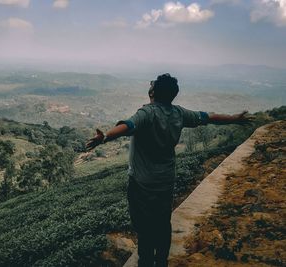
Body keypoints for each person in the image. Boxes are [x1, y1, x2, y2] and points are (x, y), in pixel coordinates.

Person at [85, 73, 252, 267]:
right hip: (165, 181)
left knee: (145, 228)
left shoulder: (147, 113)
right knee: (163, 223)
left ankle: (146, 262)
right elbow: (209, 117)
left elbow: (128, 126)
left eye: (152, 85)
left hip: (142, 183)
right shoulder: (179, 113)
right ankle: (161, 262)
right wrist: (234, 119)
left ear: (153, 91)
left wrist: (105, 136)